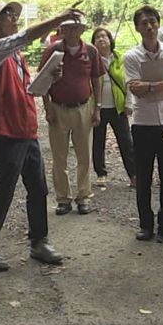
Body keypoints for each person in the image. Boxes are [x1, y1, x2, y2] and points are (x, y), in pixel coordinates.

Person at [0, 0, 80, 271]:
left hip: (26, 129)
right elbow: (25, 35)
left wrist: (50, 78)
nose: (13, 19)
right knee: (4, 191)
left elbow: (29, 90)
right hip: (6, 132)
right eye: (8, 15)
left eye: (13, 15)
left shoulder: (16, 56)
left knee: (38, 187)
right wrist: (58, 18)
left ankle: (39, 242)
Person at [123, 6, 163, 242]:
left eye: (152, 22)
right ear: (138, 28)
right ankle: (145, 224)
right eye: (144, 23)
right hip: (143, 122)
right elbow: (135, 89)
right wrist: (162, 83)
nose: (149, 27)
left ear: (158, 24)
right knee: (144, 176)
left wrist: (149, 85)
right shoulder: (131, 56)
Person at [40, 19, 104, 216]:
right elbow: (43, 78)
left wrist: (97, 108)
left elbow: (97, 79)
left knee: (84, 154)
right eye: (67, 28)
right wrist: (47, 107)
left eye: (75, 28)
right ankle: (63, 199)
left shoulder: (91, 51)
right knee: (59, 156)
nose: (71, 32)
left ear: (82, 30)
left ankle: (83, 196)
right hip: (58, 107)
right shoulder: (53, 51)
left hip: (83, 107)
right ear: (61, 30)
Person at [91, 27, 137, 189]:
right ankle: (101, 173)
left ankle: (133, 174)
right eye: (97, 37)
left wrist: (129, 103)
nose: (101, 39)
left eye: (104, 36)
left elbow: (128, 82)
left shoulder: (120, 60)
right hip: (98, 107)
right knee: (98, 141)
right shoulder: (92, 60)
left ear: (110, 40)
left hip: (118, 107)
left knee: (126, 141)